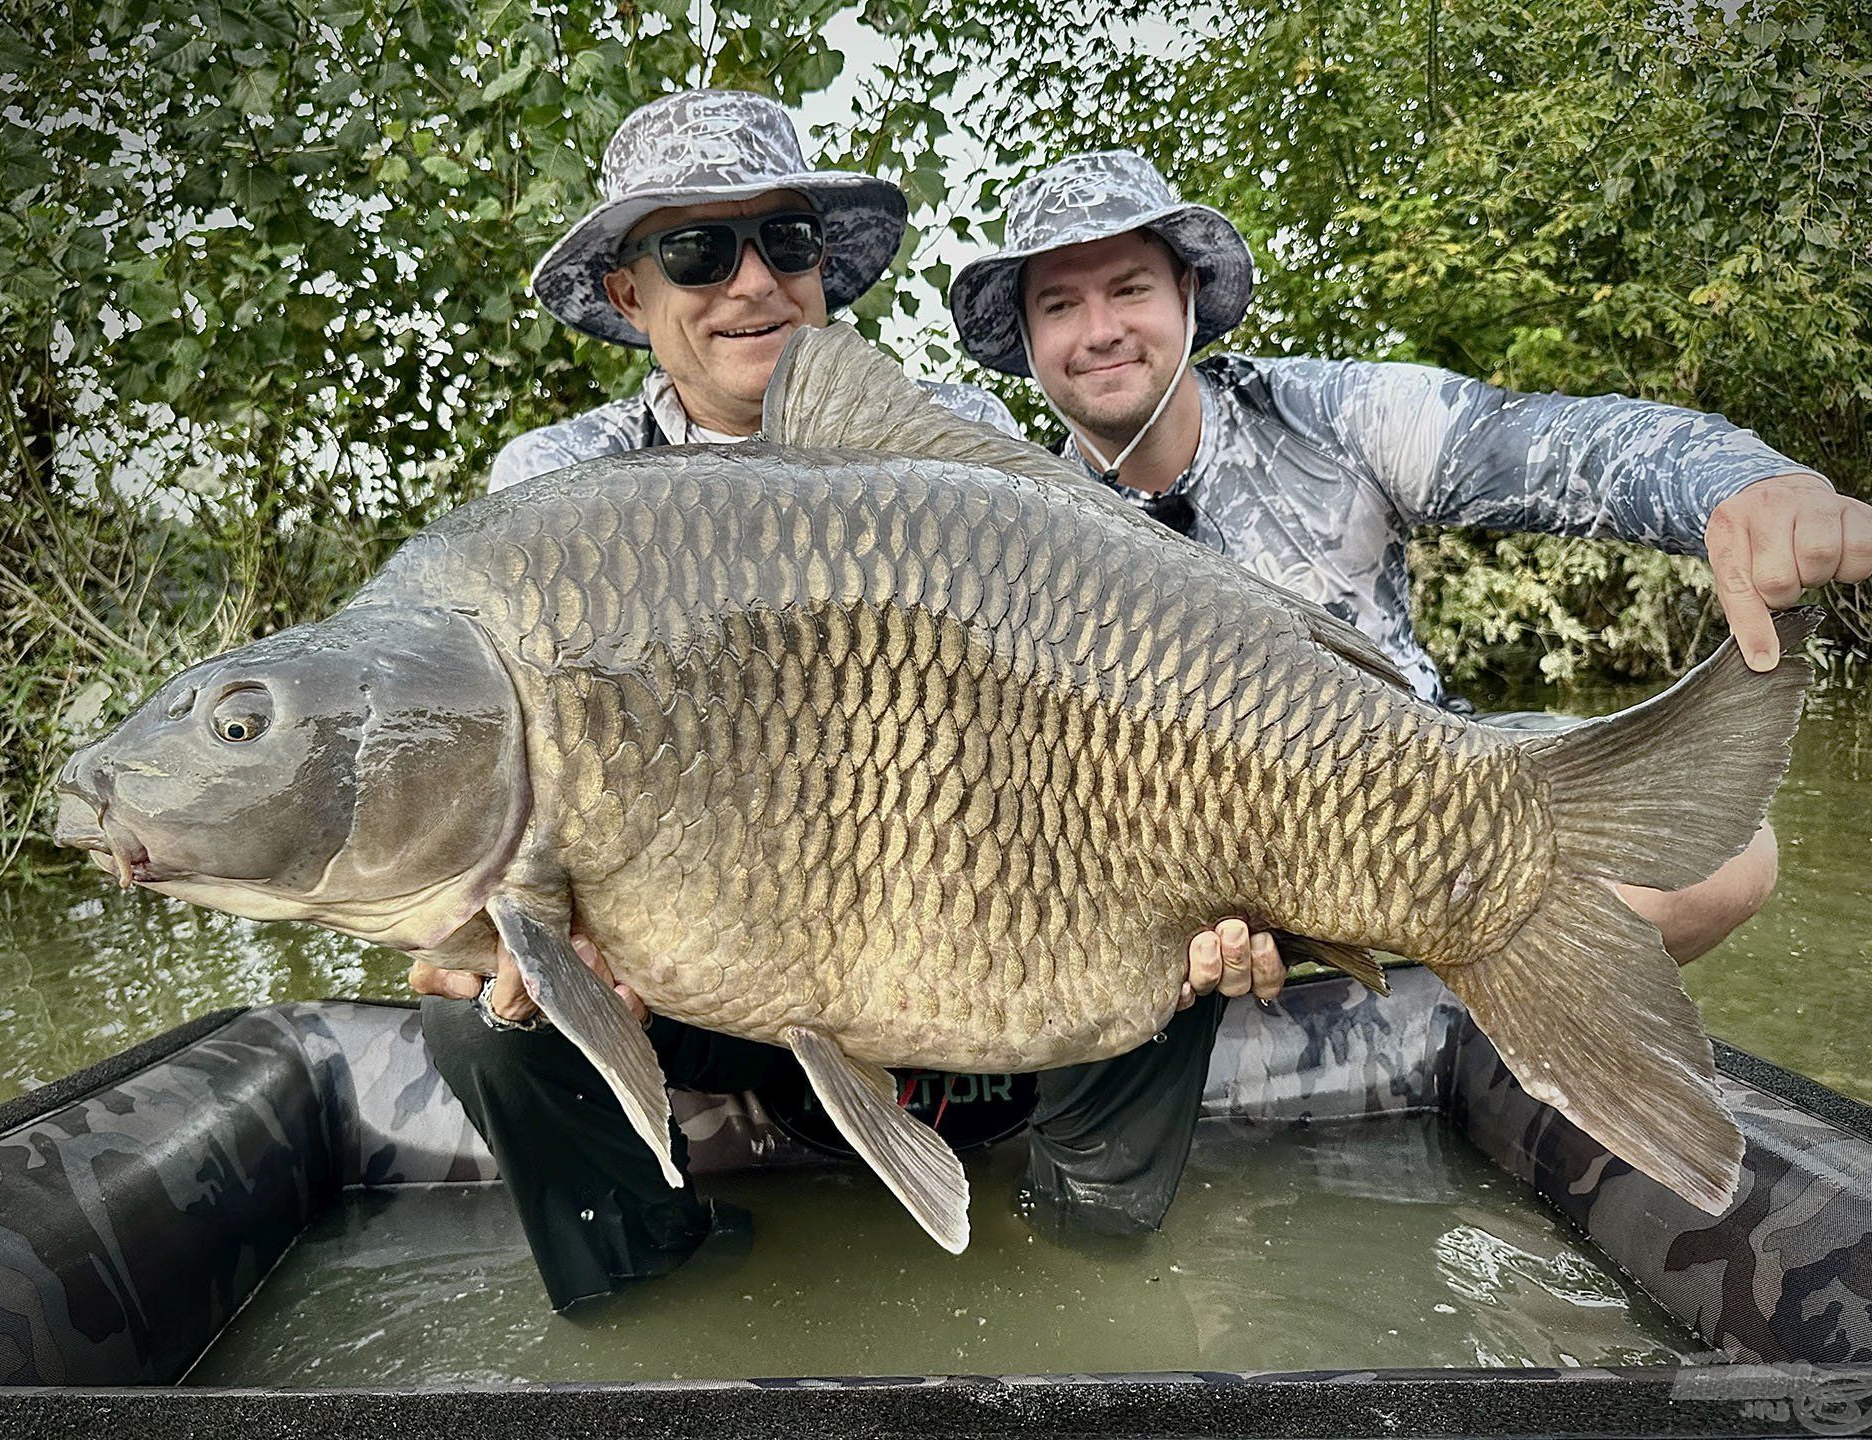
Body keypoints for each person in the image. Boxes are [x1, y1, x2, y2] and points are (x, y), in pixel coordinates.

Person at [411, 93, 1275, 1311]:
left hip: (987, 929)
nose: (754, 282)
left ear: (823, 265)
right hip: (708, 972)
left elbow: (1108, 682)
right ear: (627, 295)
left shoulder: (949, 441)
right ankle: (651, 1292)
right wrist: (490, 926)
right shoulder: (557, 497)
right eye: (700, 252)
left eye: (787, 242)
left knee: (1175, 881)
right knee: (480, 1017)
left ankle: (1094, 1267)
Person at [949, 150, 1872, 966]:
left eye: (1130, 288)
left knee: (1724, 857)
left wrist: (1738, 485)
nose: (1100, 329)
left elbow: (1562, 445)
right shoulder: (1015, 521)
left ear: (1187, 297)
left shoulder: (1333, 418)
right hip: (1185, 896)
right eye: (1061, 304)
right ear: (1028, 340)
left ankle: (1471, 986)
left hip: (1423, 817)